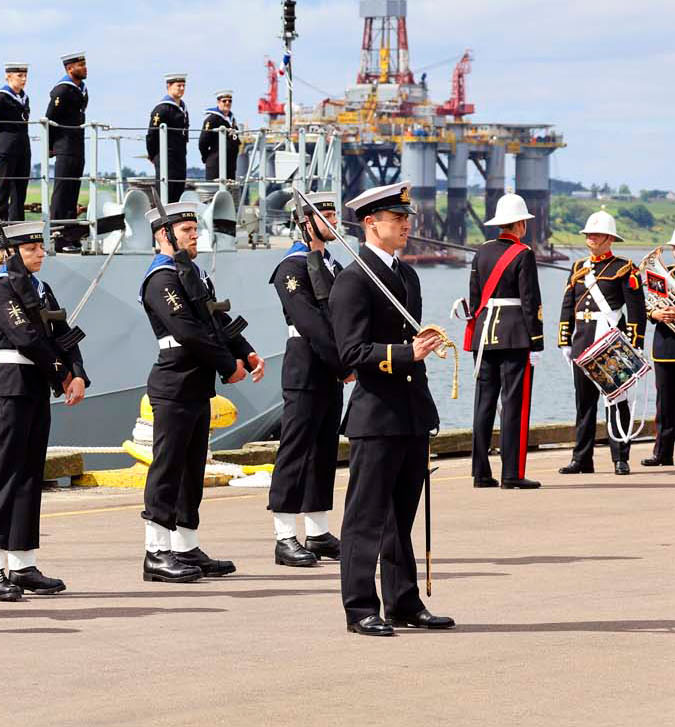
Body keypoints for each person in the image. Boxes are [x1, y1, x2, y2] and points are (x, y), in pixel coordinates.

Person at [331, 181, 455, 637]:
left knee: (401, 516)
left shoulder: (407, 276)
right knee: (366, 518)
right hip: (375, 415)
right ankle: (360, 607)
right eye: (396, 219)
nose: (406, 225)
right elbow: (351, 352)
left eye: (407, 218)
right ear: (370, 223)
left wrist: (421, 357)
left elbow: (410, 339)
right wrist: (407, 355)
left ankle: (403, 601)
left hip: (409, 413)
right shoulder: (352, 279)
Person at [138, 201, 264, 583]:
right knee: (168, 468)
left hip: (196, 384)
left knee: (192, 470)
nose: (196, 235)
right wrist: (229, 365)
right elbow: (188, 331)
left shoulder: (192, 274)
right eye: (187, 230)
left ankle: (185, 546)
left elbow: (215, 317)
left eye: (195, 228)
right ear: (165, 235)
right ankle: (156, 552)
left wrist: (246, 350)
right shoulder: (161, 279)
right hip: (174, 383)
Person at [0, 221, 90, 601]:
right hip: (10, 385)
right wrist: (62, 376)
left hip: (37, 386)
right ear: (10, 254)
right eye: (30, 249)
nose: (40, 254)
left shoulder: (43, 289)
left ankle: (23, 564)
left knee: (28, 477)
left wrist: (78, 373)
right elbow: (25, 337)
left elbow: (63, 333)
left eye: (40, 248)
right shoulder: (0, 288)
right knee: (4, 476)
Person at [266, 192, 347, 567]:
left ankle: (317, 532)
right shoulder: (291, 268)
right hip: (306, 365)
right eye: (323, 214)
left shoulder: (332, 265)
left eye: (333, 212)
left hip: (330, 368)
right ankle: (284, 535)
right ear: (305, 222)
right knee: (295, 450)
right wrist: (344, 361)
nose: (331, 219)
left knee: (323, 451)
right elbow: (310, 323)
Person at [463, 193, 543, 489]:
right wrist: (536, 341)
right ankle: (511, 474)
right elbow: (530, 300)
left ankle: (480, 473)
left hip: (484, 335)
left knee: (483, 404)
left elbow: (474, 299)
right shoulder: (524, 254)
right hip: (514, 336)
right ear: (520, 223)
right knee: (514, 405)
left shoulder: (480, 252)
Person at [557, 208, 645, 476]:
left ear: (609, 238)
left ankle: (620, 457)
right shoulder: (577, 268)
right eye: (589, 234)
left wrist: (634, 344)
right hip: (582, 343)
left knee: (616, 401)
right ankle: (582, 459)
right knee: (584, 405)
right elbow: (567, 306)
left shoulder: (624, 268)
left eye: (597, 234)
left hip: (610, 344)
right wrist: (564, 340)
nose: (591, 238)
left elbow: (636, 311)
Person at [45, 52, 88, 252]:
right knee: (62, 192)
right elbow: (50, 118)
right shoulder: (62, 90)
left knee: (72, 192)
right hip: (64, 146)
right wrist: (50, 146)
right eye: (81, 65)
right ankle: (58, 236)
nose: (85, 67)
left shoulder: (81, 90)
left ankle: (70, 234)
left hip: (77, 146)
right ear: (70, 68)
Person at [644, 228, 675, 467]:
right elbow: (648, 304)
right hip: (665, 346)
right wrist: (655, 312)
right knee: (664, 405)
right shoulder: (666, 275)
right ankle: (662, 453)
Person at [0, 62, 31, 222]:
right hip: (5, 148)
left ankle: (16, 224)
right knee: (2, 189)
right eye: (20, 76)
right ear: (8, 76)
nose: (24, 79)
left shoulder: (24, 98)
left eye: (25, 75)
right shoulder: (0, 98)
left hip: (22, 148)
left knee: (20, 190)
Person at [145, 73, 190, 202]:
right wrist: (152, 154)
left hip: (180, 156)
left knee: (178, 190)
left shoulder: (183, 108)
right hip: (166, 156)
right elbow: (151, 134)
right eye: (178, 85)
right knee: (166, 191)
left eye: (183, 86)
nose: (182, 88)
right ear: (169, 86)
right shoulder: (163, 109)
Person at [199, 90, 239, 181]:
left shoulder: (232, 120)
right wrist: (208, 158)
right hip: (216, 164)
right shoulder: (212, 120)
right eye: (224, 101)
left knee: (230, 191)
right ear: (218, 102)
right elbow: (203, 142)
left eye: (230, 101)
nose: (227, 103)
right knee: (214, 192)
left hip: (230, 165)